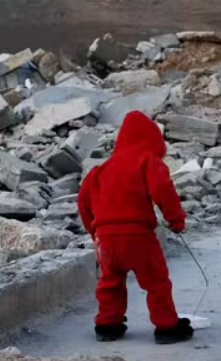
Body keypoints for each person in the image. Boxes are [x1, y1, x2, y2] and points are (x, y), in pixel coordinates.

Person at [77, 111, 194, 345]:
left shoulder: (99, 170)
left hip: (106, 240)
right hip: (138, 236)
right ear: (153, 142)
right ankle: (167, 327)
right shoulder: (147, 161)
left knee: (110, 282)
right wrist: (176, 220)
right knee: (156, 281)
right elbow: (162, 188)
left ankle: (107, 325)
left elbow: (83, 201)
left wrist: (95, 233)